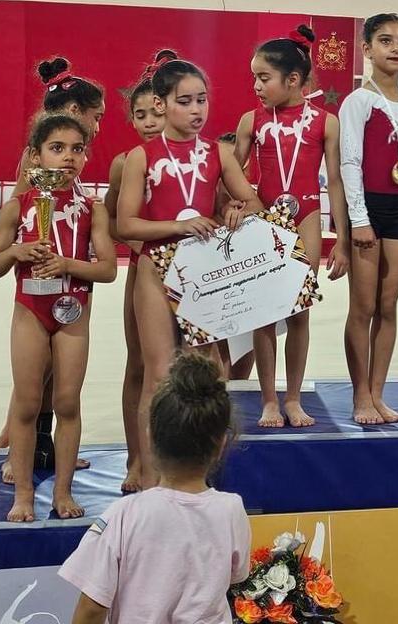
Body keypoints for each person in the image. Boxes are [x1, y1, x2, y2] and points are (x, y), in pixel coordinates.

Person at [116, 56, 263, 487]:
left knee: (206, 374)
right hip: (156, 269)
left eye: (202, 100)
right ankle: (150, 475)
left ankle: (201, 473)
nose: (197, 110)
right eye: (185, 101)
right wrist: (178, 226)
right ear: (161, 105)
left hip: (204, 271)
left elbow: (252, 201)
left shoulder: (219, 153)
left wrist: (239, 210)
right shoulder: (139, 157)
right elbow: (125, 225)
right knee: (158, 376)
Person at [0, 114, 117, 522]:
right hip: (30, 311)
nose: (68, 157)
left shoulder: (92, 209)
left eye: (77, 149)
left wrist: (68, 264)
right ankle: (23, 494)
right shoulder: (17, 207)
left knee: (67, 402)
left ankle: (62, 492)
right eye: (57, 148)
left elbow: (108, 269)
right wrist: (15, 253)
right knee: (26, 405)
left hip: (72, 312)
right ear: (35, 156)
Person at [59, 352, 251, 624]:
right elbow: (236, 575)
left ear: (149, 437)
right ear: (221, 445)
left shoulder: (124, 514)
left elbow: (92, 606)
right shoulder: (232, 509)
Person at [235, 28, 350, 428]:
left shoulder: (326, 122)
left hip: (306, 218)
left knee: (299, 312)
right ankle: (269, 398)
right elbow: (233, 176)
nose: (256, 86)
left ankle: (294, 396)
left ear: (294, 80)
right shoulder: (251, 121)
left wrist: (343, 240)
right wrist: (239, 209)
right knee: (264, 314)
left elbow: (335, 181)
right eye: (254, 78)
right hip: (264, 218)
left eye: (264, 78)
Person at [340, 14, 398, 425]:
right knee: (363, 306)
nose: (396, 47)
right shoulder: (358, 101)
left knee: (388, 306)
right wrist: (358, 218)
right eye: (386, 40)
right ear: (367, 49)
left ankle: (377, 392)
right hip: (369, 207)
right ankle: (359, 395)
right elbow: (350, 162)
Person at [103, 53, 170, 493]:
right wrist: (141, 246)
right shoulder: (126, 163)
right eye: (139, 114)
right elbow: (109, 223)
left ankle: (176, 459)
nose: (148, 121)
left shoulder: (198, 157)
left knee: (182, 368)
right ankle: (135, 459)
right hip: (144, 270)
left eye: (156, 112)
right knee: (139, 367)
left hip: (191, 279)